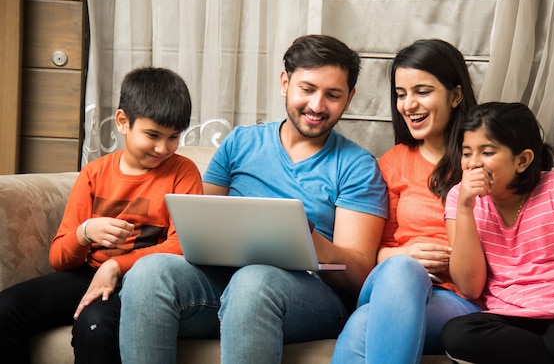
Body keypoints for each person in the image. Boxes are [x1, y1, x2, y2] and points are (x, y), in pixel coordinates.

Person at [331, 39, 554, 364]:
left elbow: (545, 221)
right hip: (398, 285)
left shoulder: (492, 160)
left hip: (461, 296)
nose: (409, 104)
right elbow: (369, 251)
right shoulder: (392, 163)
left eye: (422, 91)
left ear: (456, 95)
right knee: (401, 270)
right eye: (401, 94)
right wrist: (403, 253)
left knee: (363, 324)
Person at [117, 34, 389, 364]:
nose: (317, 106)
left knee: (254, 280)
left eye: (333, 95)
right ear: (285, 83)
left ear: (349, 99)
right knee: (149, 273)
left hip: (313, 298)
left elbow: (360, 273)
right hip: (224, 284)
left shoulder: (357, 165)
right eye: (307, 89)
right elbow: (200, 222)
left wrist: (308, 239)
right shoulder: (241, 142)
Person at [0, 66, 203, 364]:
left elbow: (182, 246)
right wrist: (85, 232)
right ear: (123, 122)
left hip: (142, 284)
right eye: (152, 135)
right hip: (87, 273)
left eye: (173, 137)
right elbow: (59, 258)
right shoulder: (95, 173)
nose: (163, 148)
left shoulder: (183, 172)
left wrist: (116, 266)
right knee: (5, 310)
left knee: (95, 325)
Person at [441, 102, 554, 363]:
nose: (472, 164)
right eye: (467, 153)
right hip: (509, 315)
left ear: (523, 160)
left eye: (487, 152)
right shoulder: (460, 198)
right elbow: (470, 287)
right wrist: (464, 208)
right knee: (458, 334)